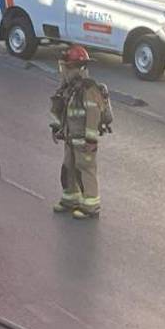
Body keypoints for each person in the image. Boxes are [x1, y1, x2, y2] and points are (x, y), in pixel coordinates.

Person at [49, 45, 111, 219]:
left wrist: (90, 141)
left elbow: (93, 115)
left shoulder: (89, 89)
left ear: (75, 68)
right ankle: (70, 199)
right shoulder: (70, 88)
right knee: (68, 168)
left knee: (86, 170)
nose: (63, 71)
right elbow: (64, 111)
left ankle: (91, 206)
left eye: (66, 67)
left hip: (84, 142)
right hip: (71, 138)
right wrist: (57, 128)